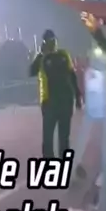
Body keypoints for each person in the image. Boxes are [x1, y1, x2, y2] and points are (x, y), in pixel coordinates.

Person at [28, 30, 83, 159]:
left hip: (66, 101)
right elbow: (31, 71)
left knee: (64, 137)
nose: (52, 43)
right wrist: (41, 53)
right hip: (49, 103)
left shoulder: (64, 55)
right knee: (48, 137)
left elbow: (72, 76)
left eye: (53, 40)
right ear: (44, 43)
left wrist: (77, 96)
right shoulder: (42, 58)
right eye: (49, 41)